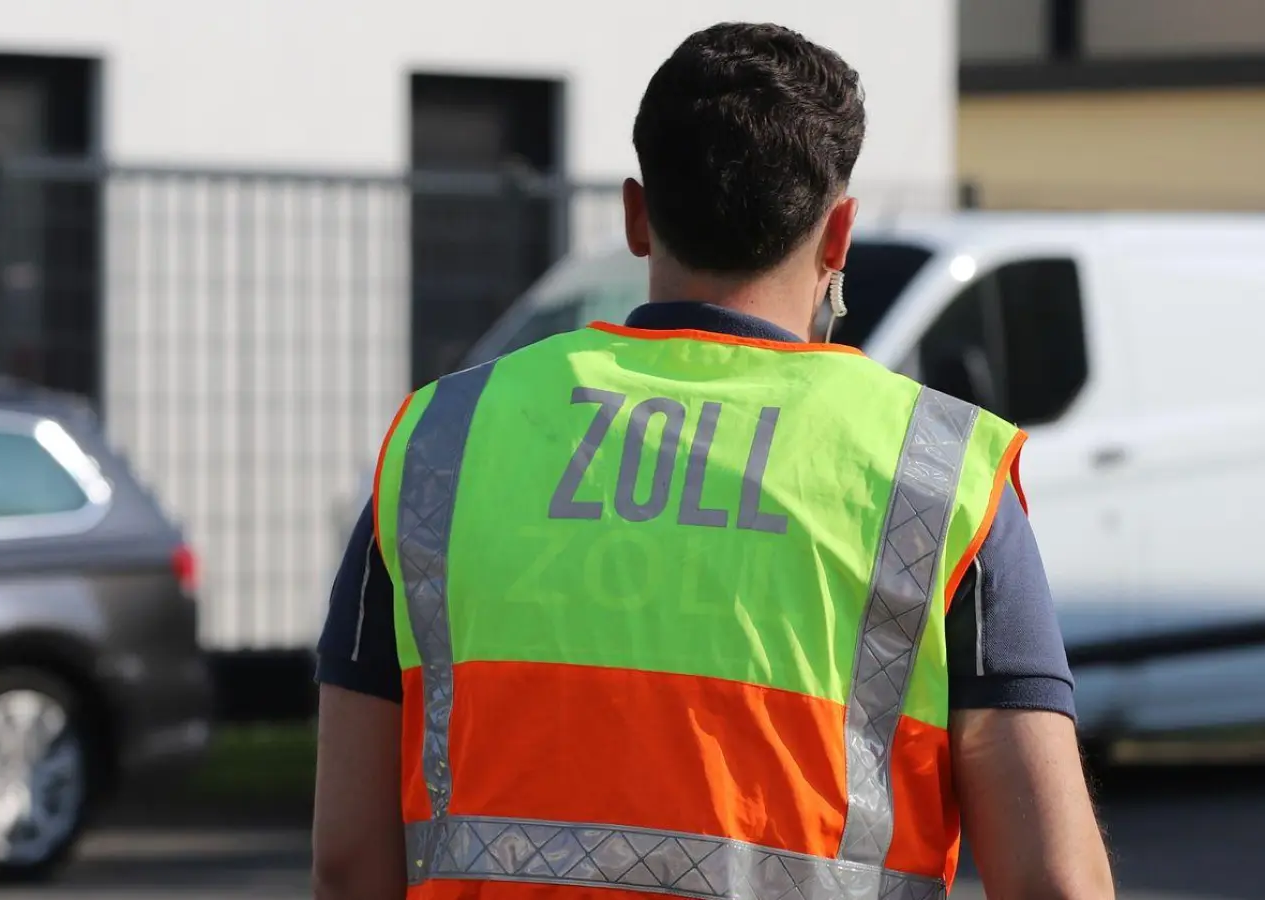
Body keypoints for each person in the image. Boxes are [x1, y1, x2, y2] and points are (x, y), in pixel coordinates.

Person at [312, 21, 1114, 900]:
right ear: (838, 235)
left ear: (635, 215)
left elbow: (351, 859)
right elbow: (1053, 880)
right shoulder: (937, 474)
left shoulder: (441, 442)